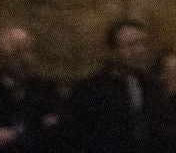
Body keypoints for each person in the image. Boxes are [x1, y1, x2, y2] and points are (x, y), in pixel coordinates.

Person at [62, 19, 163, 153]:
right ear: (113, 51)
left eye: (142, 43)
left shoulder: (152, 85)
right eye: (131, 45)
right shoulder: (92, 89)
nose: (139, 50)